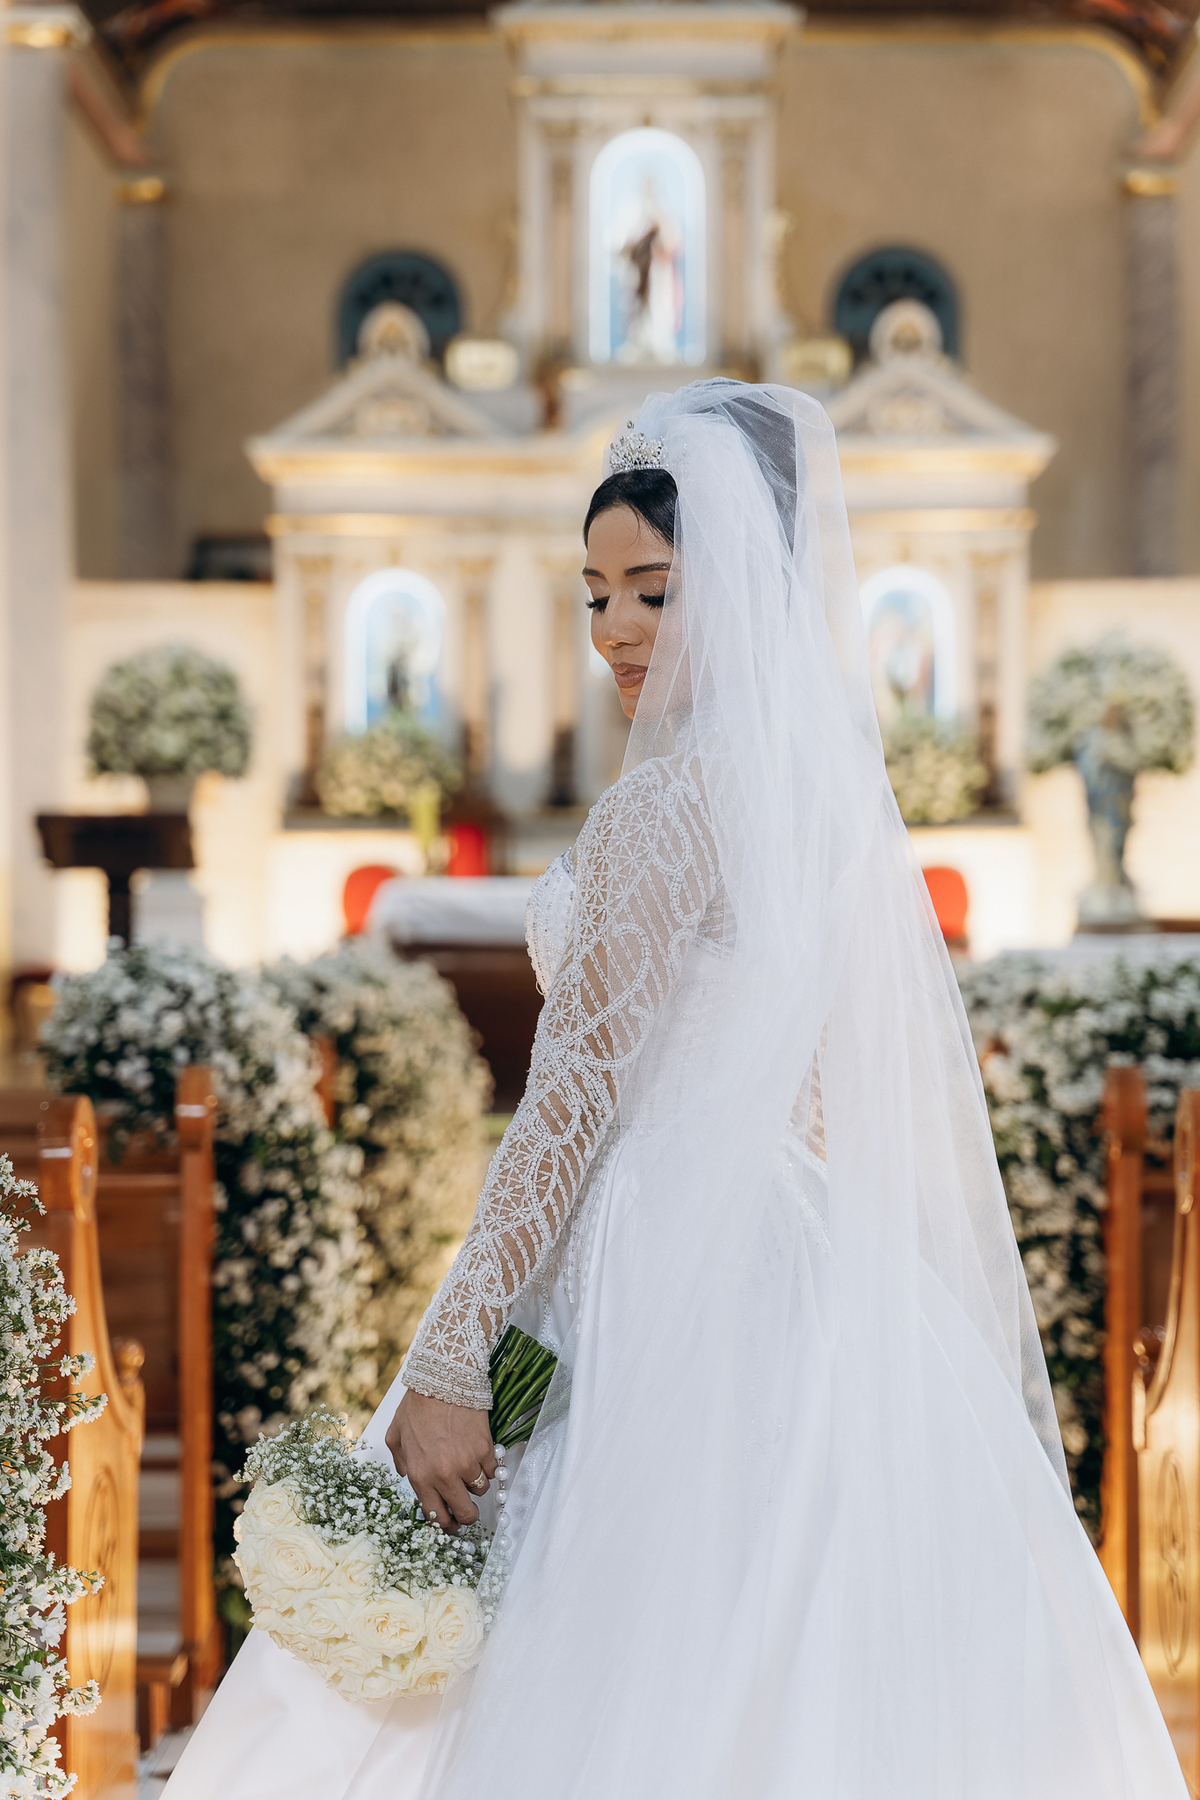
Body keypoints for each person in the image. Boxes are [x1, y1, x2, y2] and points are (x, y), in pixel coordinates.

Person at [165, 382, 1185, 1800]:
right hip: (803, 1252)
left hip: (651, 1251)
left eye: (651, 589)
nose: (615, 633)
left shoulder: (668, 802)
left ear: (749, 585)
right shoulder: (820, 803)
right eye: (594, 597)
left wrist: (458, 1352)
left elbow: (574, 1097)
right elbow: (810, 1094)